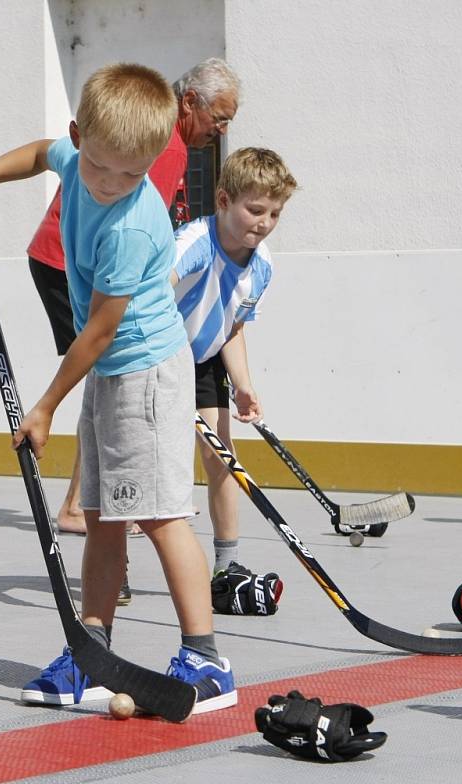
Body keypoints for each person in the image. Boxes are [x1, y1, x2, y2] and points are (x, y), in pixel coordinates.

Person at [0, 63, 237, 714]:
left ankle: (207, 659)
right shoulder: (77, 161)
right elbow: (38, 154)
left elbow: (100, 331)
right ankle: (91, 653)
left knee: (159, 516)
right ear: (81, 138)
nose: (113, 184)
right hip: (111, 375)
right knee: (103, 519)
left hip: (146, 375)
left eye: (133, 175)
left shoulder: (134, 224)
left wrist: (43, 407)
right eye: (101, 167)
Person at [27, 58, 241, 549]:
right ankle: (83, 503)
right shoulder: (163, 150)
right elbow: (141, 229)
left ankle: (85, 503)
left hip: (65, 261)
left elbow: (47, 154)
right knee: (101, 364)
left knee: (100, 368)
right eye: (219, 117)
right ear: (190, 103)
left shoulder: (142, 137)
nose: (222, 130)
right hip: (74, 266)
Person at [172, 147, 298, 588]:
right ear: (224, 201)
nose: (264, 222)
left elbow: (233, 326)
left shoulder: (262, 266)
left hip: (204, 360)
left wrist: (243, 385)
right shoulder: (192, 244)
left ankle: (227, 564)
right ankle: (120, 565)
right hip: (158, 358)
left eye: (275, 214)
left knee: (221, 457)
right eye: (255, 209)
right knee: (156, 466)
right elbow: (145, 298)